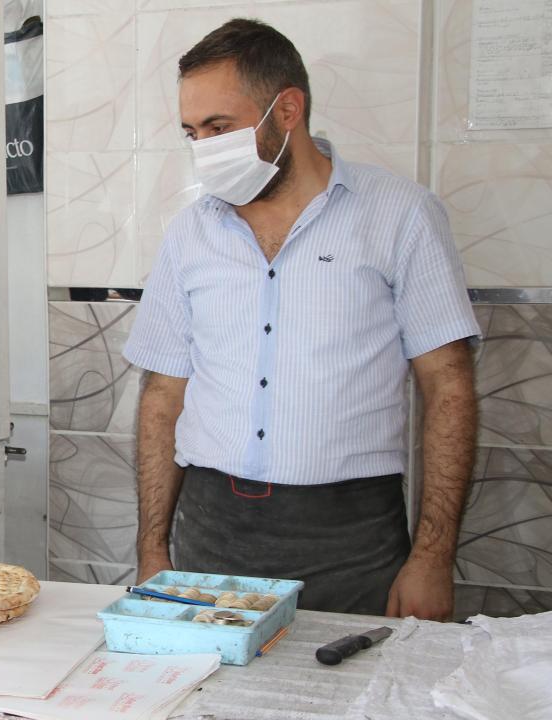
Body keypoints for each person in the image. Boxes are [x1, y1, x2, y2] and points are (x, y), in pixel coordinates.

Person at [123, 19, 478, 619]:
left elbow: (449, 386)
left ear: (287, 110)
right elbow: (163, 396)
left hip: (351, 538)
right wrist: (153, 548)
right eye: (192, 132)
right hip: (211, 528)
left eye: (219, 128)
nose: (204, 148)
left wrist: (432, 558)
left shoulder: (400, 216)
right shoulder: (190, 233)